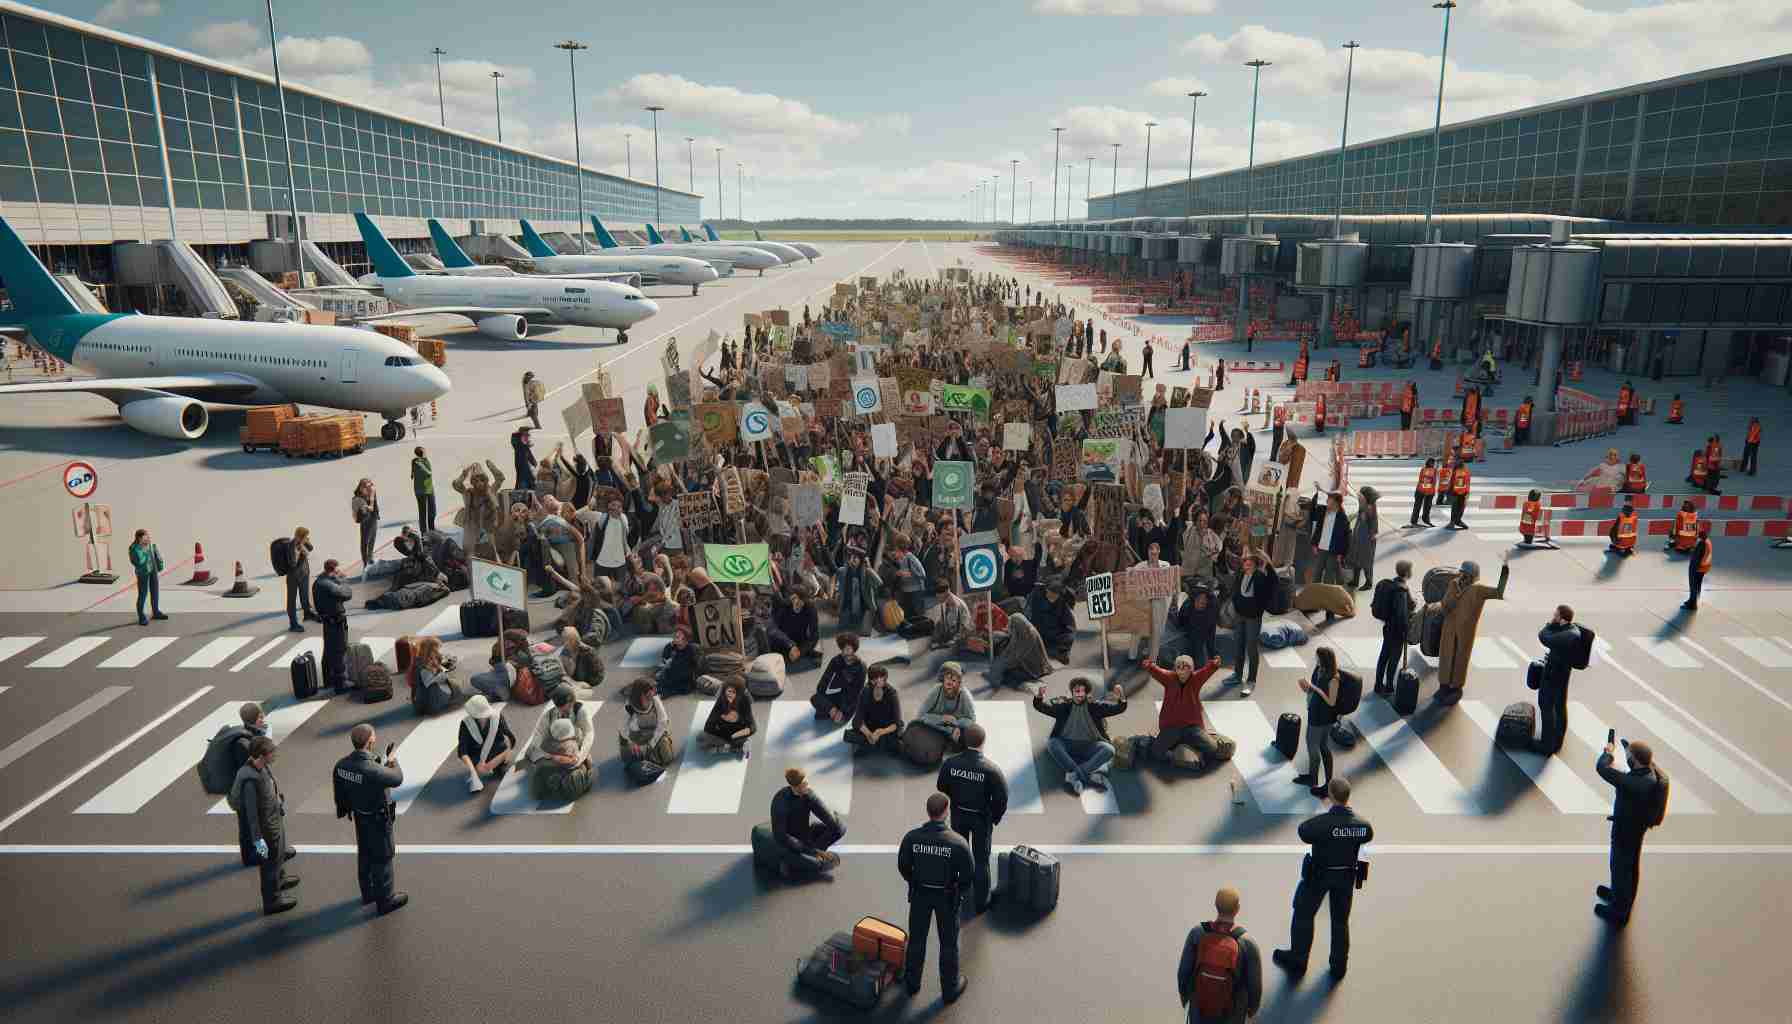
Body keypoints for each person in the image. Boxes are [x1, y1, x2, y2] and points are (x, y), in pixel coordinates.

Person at [1273, 777, 1373, 980]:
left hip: (1319, 875)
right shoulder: (1362, 826)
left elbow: (1303, 831)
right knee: (1340, 921)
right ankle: (1339, 965)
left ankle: (1298, 959)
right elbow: (1367, 835)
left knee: (1303, 913)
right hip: (1345, 877)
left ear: (1330, 796)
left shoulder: (1320, 824)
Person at [898, 792, 974, 1002]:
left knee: (917, 940)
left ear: (928, 812)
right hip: (947, 898)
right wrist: (957, 890)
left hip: (920, 894)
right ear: (946, 812)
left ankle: (912, 984)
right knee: (948, 944)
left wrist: (914, 881)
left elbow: (903, 866)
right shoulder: (957, 843)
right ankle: (950, 989)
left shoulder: (912, 838)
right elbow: (968, 875)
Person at [332, 723, 408, 915]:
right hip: (377, 819)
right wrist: (393, 761)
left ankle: (368, 893)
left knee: (365, 854)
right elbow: (396, 779)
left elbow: (340, 791)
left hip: (360, 816)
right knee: (383, 857)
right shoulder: (371, 770)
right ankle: (386, 900)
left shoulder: (341, 765)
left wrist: (345, 809)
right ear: (370, 741)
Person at [935, 722, 1007, 914]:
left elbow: (941, 786)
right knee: (981, 861)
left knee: (957, 856)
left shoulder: (951, 764)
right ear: (983, 743)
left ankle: (953, 895)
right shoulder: (992, 770)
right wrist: (993, 817)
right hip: (981, 819)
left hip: (959, 814)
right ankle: (981, 903)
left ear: (964, 741)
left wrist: (956, 798)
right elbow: (1001, 798)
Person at [1595, 738, 1667, 926]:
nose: (1626, 759)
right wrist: (1629, 747)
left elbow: (1602, 768)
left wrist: (1608, 752)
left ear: (1634, 761)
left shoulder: (1633, 782)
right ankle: (1623, 897)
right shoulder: (1649, 771)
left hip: (1626, 829)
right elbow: (1638, 755)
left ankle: (1618, 912)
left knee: (1620, 866)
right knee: (1630, 865)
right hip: (1636, 827)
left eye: (1628, 757)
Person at [230, 736, 298, 915]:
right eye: (271, 752)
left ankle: (280, 880)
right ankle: (272, 901)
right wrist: (258, 841)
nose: (274, 754)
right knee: (269, 865)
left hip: (275, 821)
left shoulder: (263, 768)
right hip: (267, 831)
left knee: (278, 857)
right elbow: (252, 817)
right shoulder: (250, 782)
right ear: (261, 755)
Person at [1178, 887, 1263, 1024]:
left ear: (1215, 905)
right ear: (1237, 909)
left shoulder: (1197, 933)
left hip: (1200, 1010)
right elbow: (1255, 986)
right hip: (1232, 1013)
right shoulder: (1247, 943)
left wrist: (1185, 996)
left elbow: (1183, 972)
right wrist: (1251, 1010)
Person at [1033, 677, 1127, 795]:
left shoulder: (1095, 707)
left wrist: (1121, 696)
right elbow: (1041, 707)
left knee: (1109, 750)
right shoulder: (1063, 707)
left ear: (1087, 693)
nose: (1080, 694)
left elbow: (1119, 708)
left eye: (1083, 691)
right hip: (1066, 744)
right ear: (1072, 692)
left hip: (1090, 746)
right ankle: (1085, 777)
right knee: (1052, 744)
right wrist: (1039, 695)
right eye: (1077, 691)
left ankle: (1073, 775)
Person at [1434, 558, 1510, 705]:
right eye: (1462, 573)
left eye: (1466, 574)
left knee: (1460, 658)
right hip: (1449, 629)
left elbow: (1498, 592)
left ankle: (1456, 688)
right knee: (1446, 657)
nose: (1463, 577)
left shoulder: (1478, 590)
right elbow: (1444, 605)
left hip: (1465, 632)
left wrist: (1505, 572)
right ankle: (1443, 686)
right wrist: (1449, 601)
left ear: (1473, 576)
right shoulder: (1453, 584)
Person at [1143, 654, 1224, 767]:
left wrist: (1214, 665)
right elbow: (1158, 672)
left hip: (1192, 727)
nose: (1181, 672)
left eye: (1185, 668)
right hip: (1171, 727)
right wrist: (1149, 666)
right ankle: (1180, 754)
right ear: (1175, 669)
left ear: (1191, 670)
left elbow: (1206, 671)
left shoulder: (1196, 679)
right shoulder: (1169, 678)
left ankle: (1187, 748)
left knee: (1213, 748)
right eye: (1178, 668)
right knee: (1156, 752)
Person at [771, 766, 847, 879]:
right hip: (791, 843)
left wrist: (833, 818)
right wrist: (815, 851)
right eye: (804, 783)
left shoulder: (807, 794)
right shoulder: (780, 802)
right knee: (816, 865)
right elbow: (781, 837)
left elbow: (828, 818)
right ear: (795, 786)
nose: (808, 784)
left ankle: (812, 856)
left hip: (806, 835)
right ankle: (798, 860)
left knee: (839, 829)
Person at [1532, 605, 1583, 757]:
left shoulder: (1569, 635)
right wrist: (1552, 626)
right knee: (1558, 706)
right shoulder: (1567, 630)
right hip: (1557, 673)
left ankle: (1547, 745)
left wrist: (1549, 626)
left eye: (1556, 615)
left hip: (1555, 676)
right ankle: (1556, 739)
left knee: (1548, 706)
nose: (1553, 616)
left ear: (1562, 619)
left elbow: (1544, 636)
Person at [1296, 647, 1342, 797]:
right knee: (1319, 746)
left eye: (1318, 657)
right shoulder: (1319, 669)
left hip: (1323, 717)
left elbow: (1331, 701)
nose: (1315, 659)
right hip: (1314, 712)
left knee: (1315, 746)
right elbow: (1312, 689)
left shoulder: (1334, 678)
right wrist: (1307, 688)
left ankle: (1317, 779)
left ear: (1325, 659)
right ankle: (1314, 777)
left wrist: (1314, 687)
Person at [1229, 551, 1275, 697]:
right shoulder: (1240, 575)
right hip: (1240, 616)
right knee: (1238, 644)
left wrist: (1268, 562)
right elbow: (1235, 590)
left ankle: (1251, 679)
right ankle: (1237, 674)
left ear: (1256, 566)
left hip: (1253, 617)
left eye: (1250, 563)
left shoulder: (1260, 577)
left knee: (1251, 647)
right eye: (1245, 563)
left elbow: (1273, 582)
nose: (1247, 565)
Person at [457, 695, 515, 793]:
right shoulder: (466, 724)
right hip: (476, 754)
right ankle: (479, 770)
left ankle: (498, 764)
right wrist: (473, 771)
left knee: (502, 764)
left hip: (497, 750)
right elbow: (462, 751)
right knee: (479, 769)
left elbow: (511, 738)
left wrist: (506, 753)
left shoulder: (497, 717)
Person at [1371, 561, 1414, 696]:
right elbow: (1401, 613)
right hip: (1397, 630)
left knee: (1384, 656)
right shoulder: (1402, 590)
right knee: (1394, 659)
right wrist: (1406, 630)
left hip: (1388, 627)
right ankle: (1389, 686)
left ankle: (1378, 684)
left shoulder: (1391, 584)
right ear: (1407, 572)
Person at [913, 662, 977, 751]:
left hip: (956, 728)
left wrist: (955, 722)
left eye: (953, 680)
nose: (949, 683)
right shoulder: (936, 690)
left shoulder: (965, 696)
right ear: (943, 679)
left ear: (959, 683)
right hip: (936, 726)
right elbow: (920, 716)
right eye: (947, 678)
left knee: (970, 736)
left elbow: (972, 720)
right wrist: (942, 719)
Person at [312, 559, 353, 692]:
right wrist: (342, 579)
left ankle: (329, 680)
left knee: (329, 650)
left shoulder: (318, 582)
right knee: (339, 649)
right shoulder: (328, 585)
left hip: (328, 620)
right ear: (333, 570)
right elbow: (347, 594)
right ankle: (340, 683)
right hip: (336, 621)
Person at [846, 665, 904, 754]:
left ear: (885, 678)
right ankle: (877, 744)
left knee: (897, 738)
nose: (879, 680)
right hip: (869, 726)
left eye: (881, 677)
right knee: (848, 735)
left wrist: (880, 732)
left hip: (886, 727)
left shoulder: (892, 693)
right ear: (871, 680)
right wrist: (869, 734)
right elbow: (857, 720)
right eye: (875, 678)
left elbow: (897, 723)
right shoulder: (865, 691)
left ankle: (870, 745)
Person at [811, 633, 866, 723]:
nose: (846, 650)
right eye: (844, 648)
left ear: (854, 648)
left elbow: (856, 693)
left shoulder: (861, 666)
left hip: (850, 701)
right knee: (814, 698)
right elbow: (824, 681)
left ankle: (834, 714)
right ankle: (832, 713)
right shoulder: (836, 660)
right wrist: (825, 702)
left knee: (830, 716)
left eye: (849, 648)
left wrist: (842, 710)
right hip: (838, 695)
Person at [698, 680, 757, 756]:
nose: (731, 695)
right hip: (722, 732)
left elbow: (753, 727)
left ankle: (733, 747)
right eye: (729, 691)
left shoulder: (744, 702)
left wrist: (734, 734)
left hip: (737, 734)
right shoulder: (721, 700)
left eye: (735, 692)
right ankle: (733, 747)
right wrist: (722, 719)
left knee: (711, 747)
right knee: (701, 738)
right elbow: (708, 725)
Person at [1307, 490, 1352, 587]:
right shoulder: (1323, 511)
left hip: (1333, 551)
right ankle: (1315, 592)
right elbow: (1314, 520)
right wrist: (1314, 544)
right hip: (1321, 548)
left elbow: (1345, 538)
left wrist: (1341, 554)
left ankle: (1328, 595)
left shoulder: (1343, 518)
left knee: (1329, 576)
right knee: (1316, 574)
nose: (1327, 502)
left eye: (1329, 500)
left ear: (1336, 503)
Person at [127, 528, 167, 626]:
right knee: (143, 594)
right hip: (143, 573)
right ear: (139, 538)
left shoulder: (150, 545)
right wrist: (144, 550)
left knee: (155, 592)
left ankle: (156, 612)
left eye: (148, 537)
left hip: (153, 571)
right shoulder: (134, 548)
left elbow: (156, 556)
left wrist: (159, 563)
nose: (148, 539)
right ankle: (141, 616)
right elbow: (138, 561)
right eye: (146, 537)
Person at [284, 526, 317, 632]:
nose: (307, 538)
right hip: (293, 577)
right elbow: (292, 563)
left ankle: (307, 614)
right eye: (305, 537)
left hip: (304, 574)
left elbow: (311, 548)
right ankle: (293, 624)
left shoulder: (302, 542)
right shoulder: (291, 546)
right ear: (299, 536)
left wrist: (305, 543)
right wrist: (299, 552)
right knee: (292, 600)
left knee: (304, 596)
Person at [1346, 487, 1379, 592]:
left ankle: (1369, 583)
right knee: (1356, 560)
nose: (1358, 496)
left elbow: (1374, 526)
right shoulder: (1363, 506)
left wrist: (1371, 536)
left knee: (1366, 562)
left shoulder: (1370, 508)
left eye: (1360, 495)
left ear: (1366, 497)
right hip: (1359, 538)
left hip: (1366, 541)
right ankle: (1355, 581)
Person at [352, 478, 380, 575]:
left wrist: (368, 506)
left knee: (372, 538)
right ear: (361, 487)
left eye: (370, 485)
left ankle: (370, 558)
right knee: (365, 541)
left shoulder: (372, 491)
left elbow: (372, 507)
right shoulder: (357, 497)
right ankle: (365, 563)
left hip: (373, 517)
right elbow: (355, 513)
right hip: (365, 520)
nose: (370, 488)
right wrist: (360, 513)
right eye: (367, 486)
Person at [1684, 522, 1713, 611]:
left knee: (1694, 586)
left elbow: (1700, 557)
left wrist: (1697, 566)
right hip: (1701, 567)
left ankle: (1692, 604)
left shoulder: (1703, 543)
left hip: (1698, 568)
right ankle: (1692, 600)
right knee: (1696, 585)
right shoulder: (1706, 541)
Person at [411, 446, 435, 533]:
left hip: (429, 489)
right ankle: (424, 532)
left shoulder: (424, 460)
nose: (426, 452)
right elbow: (429, 473)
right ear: (422, 453)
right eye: (424, 451)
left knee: (432, 511)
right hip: (422, 491)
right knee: (423, 512)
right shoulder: (418, 462)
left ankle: (432, 529)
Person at [1410, 458, 1438, 528]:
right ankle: (1425, 520)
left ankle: (1414, 521)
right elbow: (1433, 482)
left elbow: (1420, 480)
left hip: (1420, 490)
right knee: (1427, 506)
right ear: (1432, 464)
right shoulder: (1433, 471)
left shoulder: (1423, 469)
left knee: (1417, 506)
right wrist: (1432, 492)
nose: (1434, 465)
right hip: (1428, 491)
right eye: (1433, 463)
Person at [1447, 459, 1471, 530]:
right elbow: (1468, 482)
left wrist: (1449, 491)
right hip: (1463, 492)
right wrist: (1467, 492)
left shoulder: (1455, 471)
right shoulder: (1466, 471)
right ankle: (1457, 521)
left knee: (1455, 507)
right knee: (1461, 507)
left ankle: (1453, 522)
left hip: (1456, 492)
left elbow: (1451, 482)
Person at [512, 426, 537, 491]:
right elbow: (514, 437)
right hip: (523, 479)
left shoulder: (526, 448)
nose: (527, 438)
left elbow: (534, 462)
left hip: (530, 478)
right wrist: (521, 431)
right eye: (525, 436)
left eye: (527, 436)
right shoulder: (519, 447)